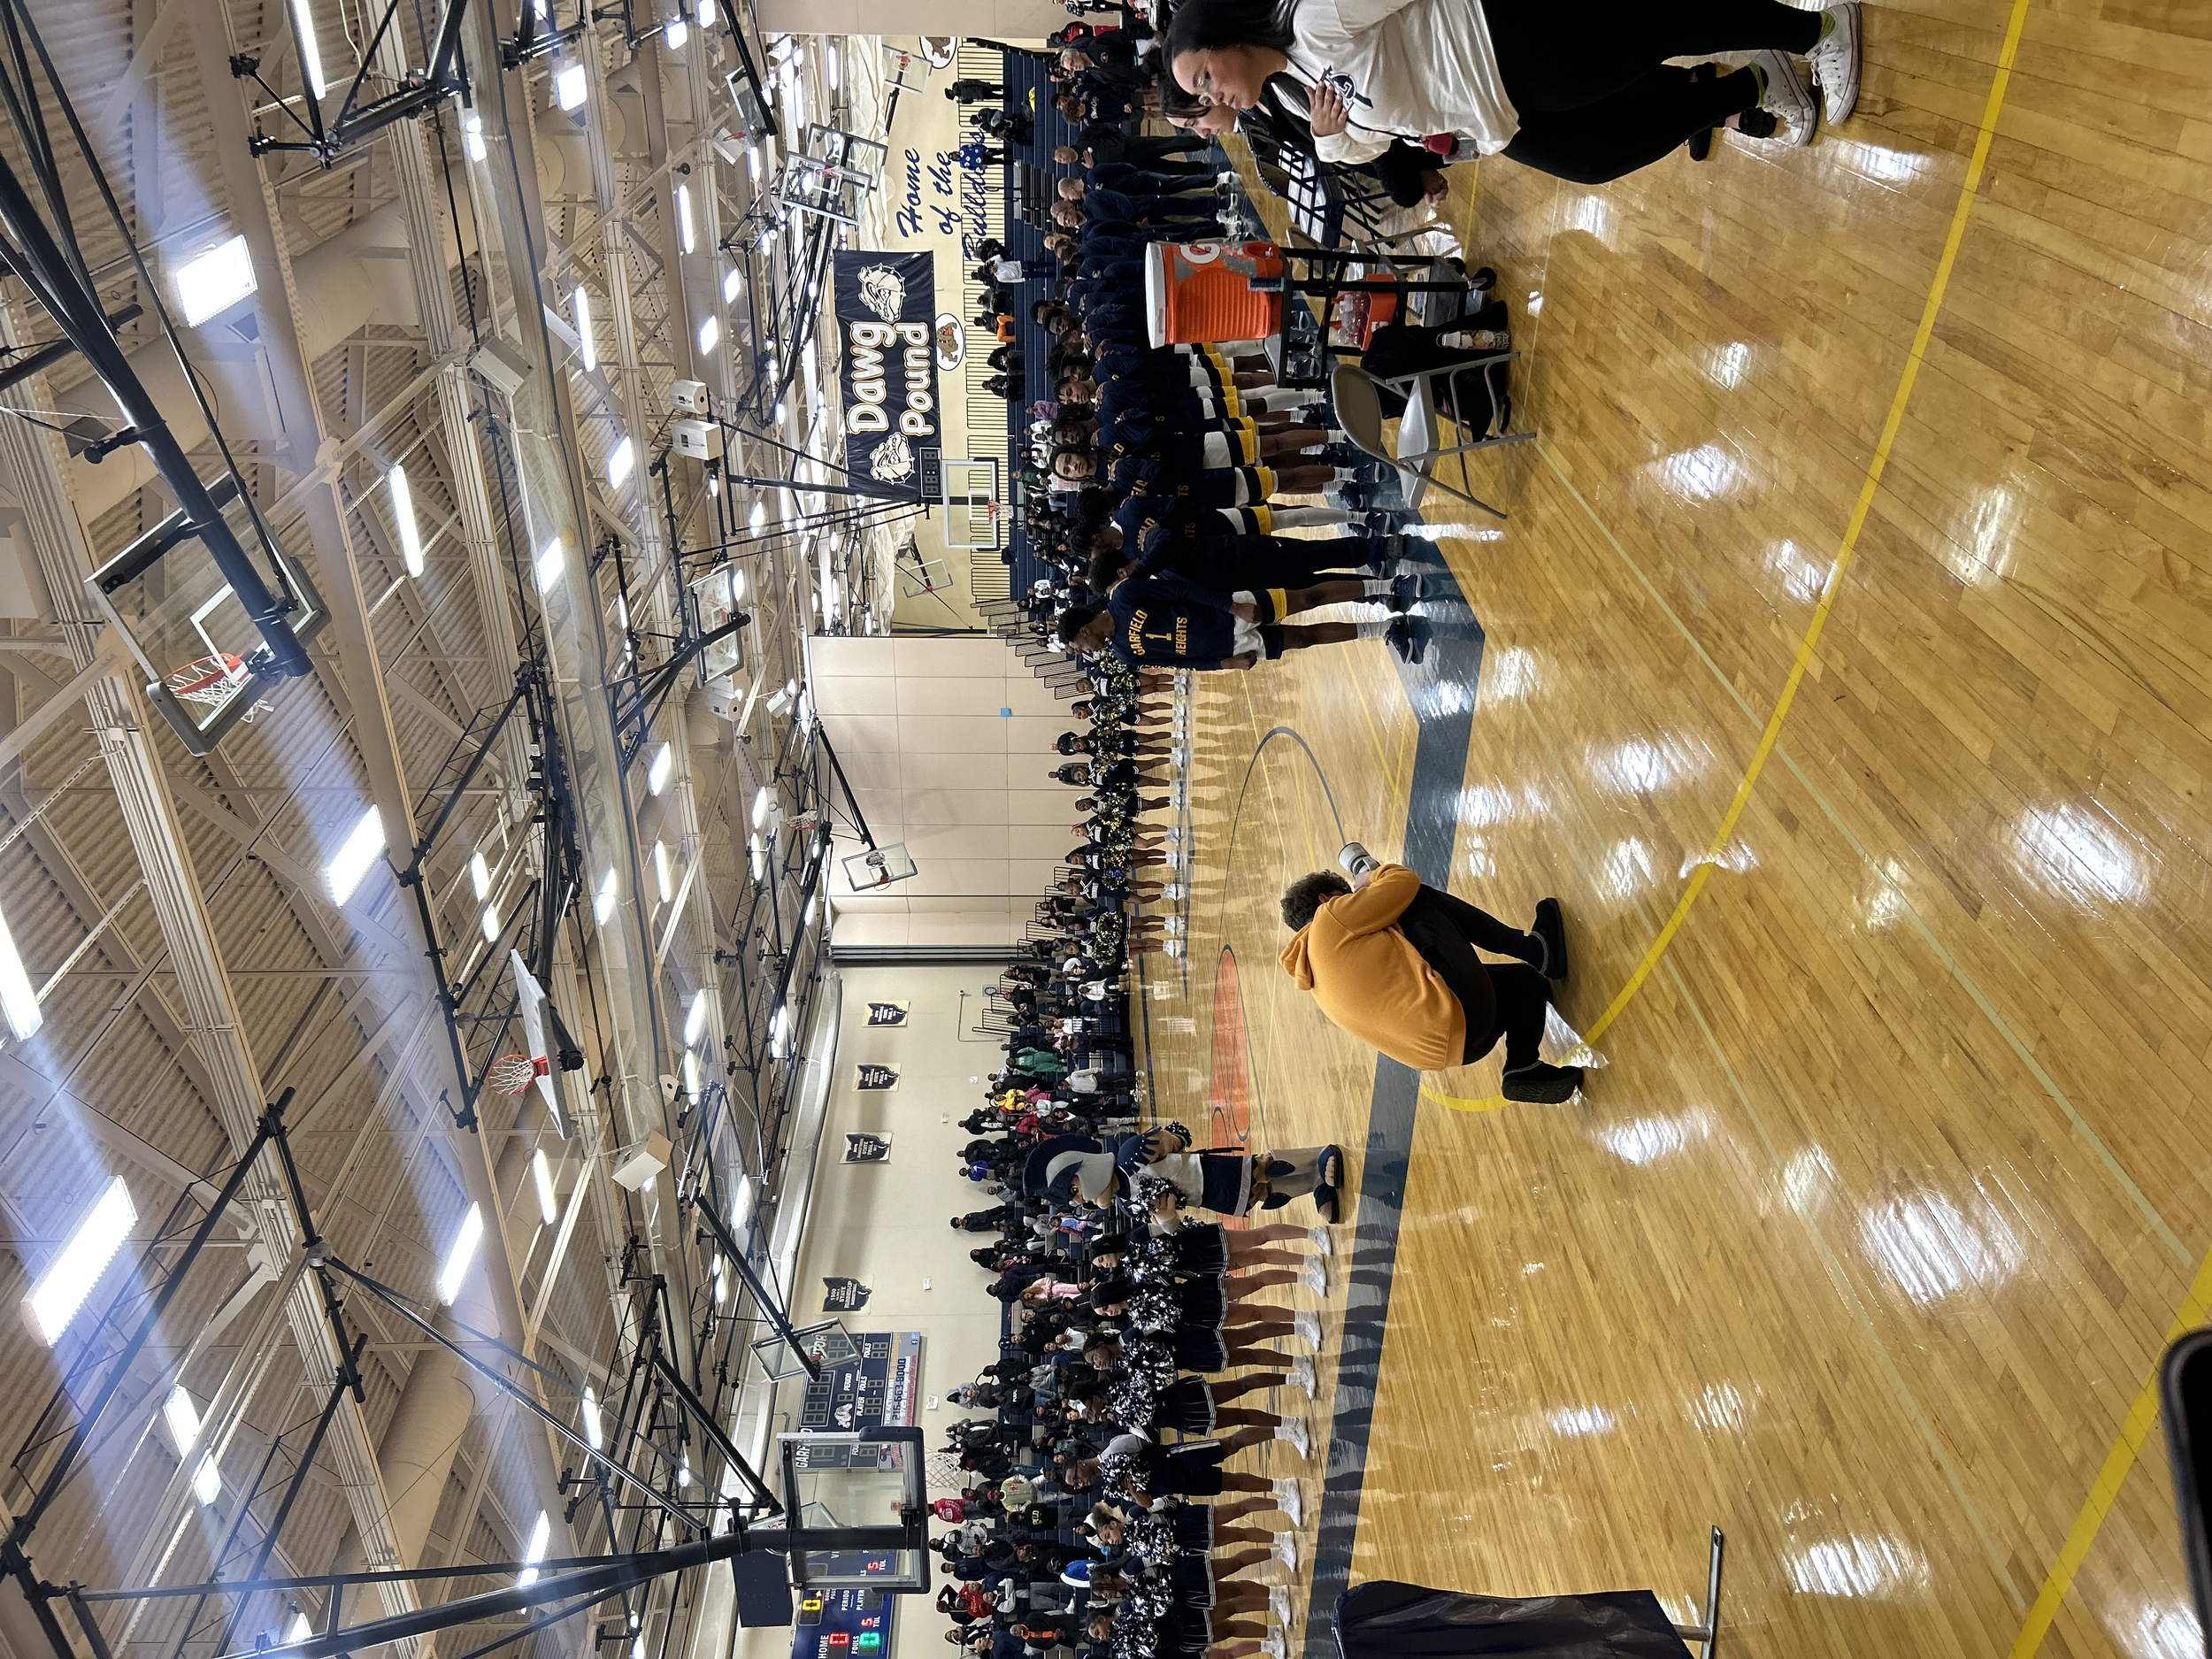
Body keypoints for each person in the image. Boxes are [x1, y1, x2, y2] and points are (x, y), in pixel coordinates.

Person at [1162, 0, 1863, 185]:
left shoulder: (1316, 20)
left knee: (1660, 24)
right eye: (1202, 91)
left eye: (1203, 81)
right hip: (1491, 111)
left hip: (1505, 43)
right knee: (1598, 157)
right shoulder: (1293, 90)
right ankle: (1755, 79)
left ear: (1225, 38)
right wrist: (1330, 138)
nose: (1213, 97)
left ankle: (1816, 28)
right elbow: (1379, 139)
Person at [1277, 843, 1582, 1102]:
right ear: (1325, 899)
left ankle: (1522, 1065)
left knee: (1525, 982)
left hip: (1461, 1047)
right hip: (1459, 1015)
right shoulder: (1329, 919)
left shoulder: (1314, 975)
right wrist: (1371, 876)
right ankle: (1537, 949)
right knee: (1413, 899)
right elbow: (1403, 883)